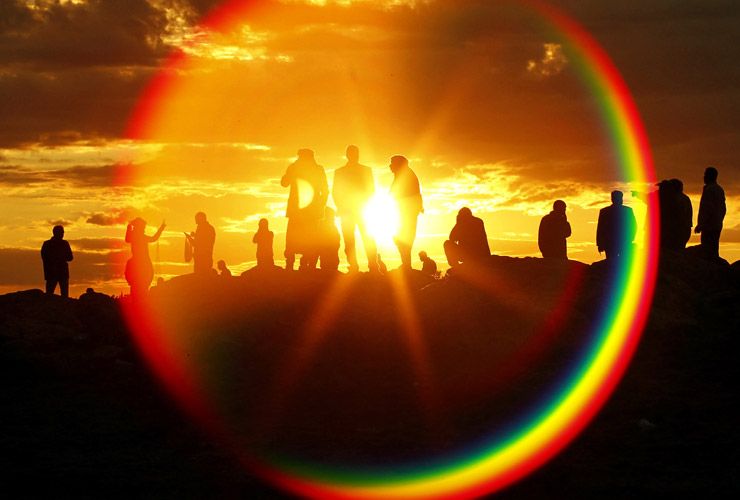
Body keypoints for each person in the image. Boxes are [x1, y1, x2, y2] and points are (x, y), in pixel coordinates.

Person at [332, 145, 377, 273]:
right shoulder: (341, 171)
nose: (354, 156)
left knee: (363, 238)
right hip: (351, 210)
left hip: (359, 210)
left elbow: (371, 190)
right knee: (351, 240)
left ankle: (371, 266)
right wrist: (340, 206)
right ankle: (356, 266)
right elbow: (336, 192)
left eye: (355, 153)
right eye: (352, 153)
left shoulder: (344, 171)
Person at [281, 149, 328, 270]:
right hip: (301, 211)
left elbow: (325, 190)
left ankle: (302, 264)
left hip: (305, 211)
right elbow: (284, 183)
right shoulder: (297, 168)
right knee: (296, 238)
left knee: (304, 238)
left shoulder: (316, 169)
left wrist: (320, 205)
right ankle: (293, 264)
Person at [389, 155, 423, 269]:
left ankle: (406, 264)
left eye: (392, 163)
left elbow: (412, 194)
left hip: (407, 212)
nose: (390, 166)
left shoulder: (406, 175)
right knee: (401, 238)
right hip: (404, 211)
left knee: (404, 238)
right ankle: (406, 263)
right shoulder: (402, 175)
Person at [125, 218, 166, 297]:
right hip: (142, 261)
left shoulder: (137, 236)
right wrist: (161, 229)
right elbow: (153, 238)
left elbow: (127, 239)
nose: (144, 229)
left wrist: (129, 229)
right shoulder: (138, 236)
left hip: (142, 261)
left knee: (140, 286)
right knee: (140, 286)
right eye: (143, 227)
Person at [695, 166, 726, 259]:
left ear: (710, 176)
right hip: (717, 224)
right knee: (714, 249)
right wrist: (719, 219)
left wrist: (701, 224)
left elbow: (707, 209)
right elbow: (723, 208)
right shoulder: (719, 189)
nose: (703, 177)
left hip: (709, 226)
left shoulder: (709, 190)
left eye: (705, 175)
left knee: (707, 251)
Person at [596, 190, 637, 260]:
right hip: (619, 243)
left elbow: (600, 229)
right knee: (621, 263)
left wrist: (600, 244)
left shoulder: (605, 211)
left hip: (616, 243)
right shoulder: (627, 211)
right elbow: (600, 228)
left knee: (615, 262)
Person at [40, 225, 74, 297]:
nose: (62, 234)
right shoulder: (48, 244)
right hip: (53, 273)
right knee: (50, 294)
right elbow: (45, 258)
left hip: (59, 273)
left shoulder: (64, 243)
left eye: (62, 232)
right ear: (55, 233)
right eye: (61, 232)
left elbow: (70, 257)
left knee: (63, 295)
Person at [671, 179, 693, 249]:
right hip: (685, 229)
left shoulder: (677, 199)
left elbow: (680, 216)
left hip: (680, 229)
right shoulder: (685, 198)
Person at [318, 207, 340, 271]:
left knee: (331, 259)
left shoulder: (331, 224)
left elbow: (337, 237)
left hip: (331, 248)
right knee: (326, 259)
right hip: (326, 248)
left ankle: (331, 268)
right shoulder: (324, 224)